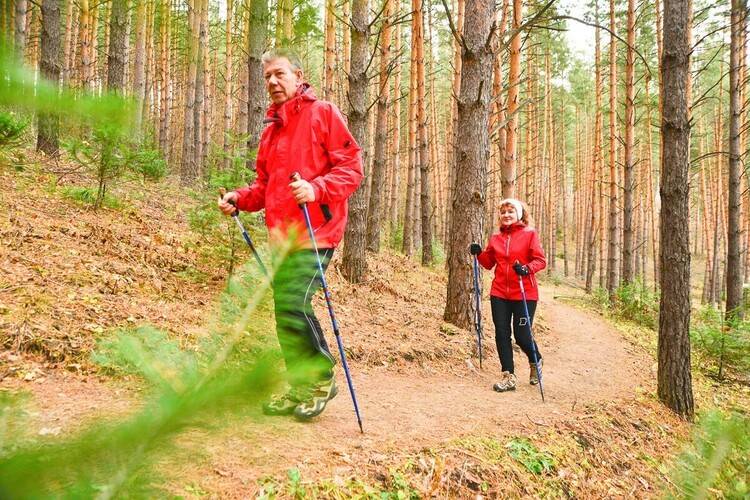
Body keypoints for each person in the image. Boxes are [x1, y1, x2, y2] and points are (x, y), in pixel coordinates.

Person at [218, 49, 363, 420]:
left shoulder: (323, 114)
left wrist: (317, 189)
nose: (272, 82)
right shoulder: (272, 132)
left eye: (279, 74)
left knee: (295, 303)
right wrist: (240, 199)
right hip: (281, 237)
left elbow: (352, 168)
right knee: (285, 313)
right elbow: (266, 187)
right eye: (267, 77)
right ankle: (301, 385)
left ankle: (320, 378)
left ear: (298, 76)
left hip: (318, 232)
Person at [469, 198, 546, 393]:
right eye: (503, 212)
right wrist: (479, 254)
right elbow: (488, 263)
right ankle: (508, 375)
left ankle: (535, 360)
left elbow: (540, 260)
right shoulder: (496, 238)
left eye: (511, 211)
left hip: (524, 293)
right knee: (501, 333)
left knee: (521, 336)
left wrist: (526, 268)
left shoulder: (529, 234)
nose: (506, 215)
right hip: (499, 292)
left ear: (519, 214)